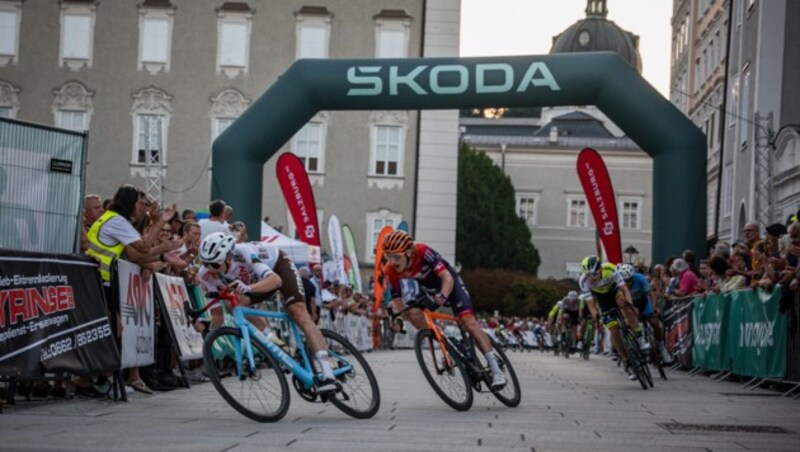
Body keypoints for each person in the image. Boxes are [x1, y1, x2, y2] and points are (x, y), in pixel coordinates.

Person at [197, 232, 338, 394]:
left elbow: (276, 281)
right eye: (205, 263)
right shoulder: (205, 275)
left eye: (214, 264)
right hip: (254, 282)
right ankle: (278, 344)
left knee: (297, 312)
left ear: (229, 257)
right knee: (231, 304)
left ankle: (328, 373)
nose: (209, 268)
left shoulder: (243, 252)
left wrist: (248, 288)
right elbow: (217, 315)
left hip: (277, 268)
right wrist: (208, 327)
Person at [381, 230, 507, 390]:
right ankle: (446, 342)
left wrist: (443, 295)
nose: (392, 261)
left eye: (396, 256)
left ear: (408, 252)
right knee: (411, 313)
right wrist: (399, 318)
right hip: (428, 289)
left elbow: (447, 277)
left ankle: (496, 370)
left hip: (449, 283)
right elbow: (397, 300)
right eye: (388, 256)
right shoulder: (390, 269)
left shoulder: (422, 251)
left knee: (468, 322)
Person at [579, 255, 647, 381]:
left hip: (615, 291)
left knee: (624, 302)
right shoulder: (584, 281)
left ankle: (639, 336)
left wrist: (630, 306)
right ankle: (627, 363)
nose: (591, 278)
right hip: (602, 300)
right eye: (588, 275)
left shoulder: (610, 268)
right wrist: (597, 317)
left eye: (594, 274)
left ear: (600, 269)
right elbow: (591, 305)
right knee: (614, 331)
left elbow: (625, 290)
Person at [616, 264, 672, 364]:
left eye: (629, 280)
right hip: (630, 306)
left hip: (644, 303)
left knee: (655, 323)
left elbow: (651, 294)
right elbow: (620, 304)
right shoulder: (618, 283)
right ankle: (636, 348)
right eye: (625, 280)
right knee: (631, 324)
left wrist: (654, 308)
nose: (627, 283)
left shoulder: (640, 278)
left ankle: (662, 349)